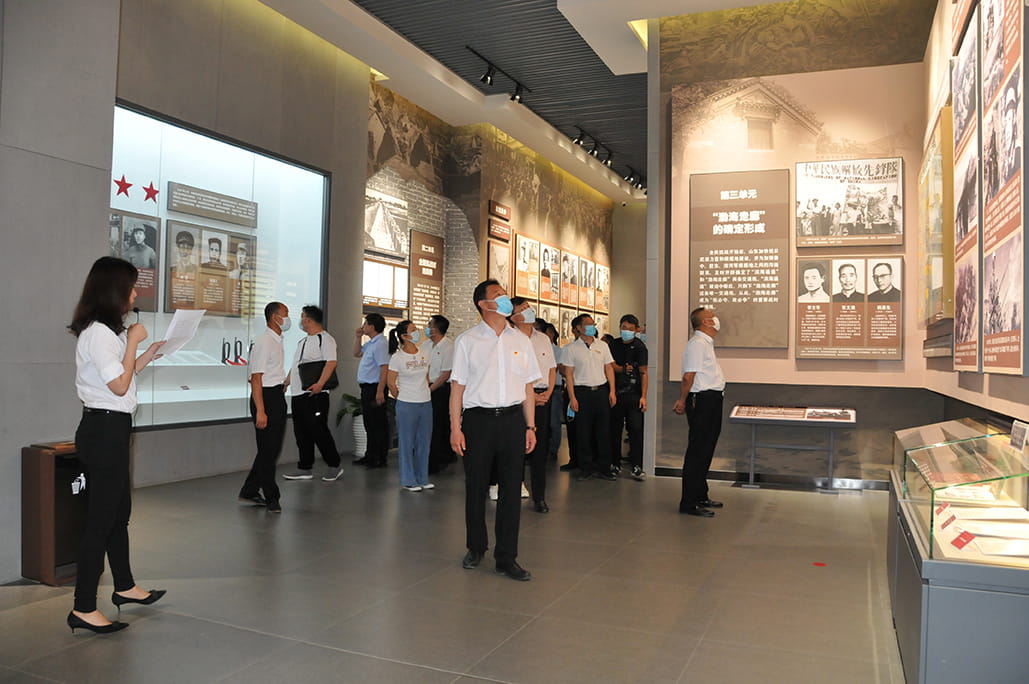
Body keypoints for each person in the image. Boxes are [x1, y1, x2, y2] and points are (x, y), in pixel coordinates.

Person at [67, 257, 166, 634]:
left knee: (118, 512)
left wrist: (146, 353)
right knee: (100, 520)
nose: (135, 294)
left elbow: (125, 372)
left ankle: (124, 585)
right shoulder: (97, 333)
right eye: (131, 287)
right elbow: (119, 387)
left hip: (114, 428)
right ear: (114, 290)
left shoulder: (109, 332)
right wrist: (134, 341)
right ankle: (83, 607)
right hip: (103, 430)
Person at [451, 279, 541, 581]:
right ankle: (476, 547)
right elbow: (457, 389)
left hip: (513, 420)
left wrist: (530, 425)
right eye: (498, 295)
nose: (505, 299)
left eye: (504, 294)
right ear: (483, 304)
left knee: (511, 489)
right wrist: (455, 428)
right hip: (478, 421)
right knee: (476, 486)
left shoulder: (521, 340)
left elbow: (528, 387)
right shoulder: (467, 341)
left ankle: (507, 557)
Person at [673, 307, 726, 517]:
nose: (716, 319)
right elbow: (689, 376)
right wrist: (682, 400)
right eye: (712, 316)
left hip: (711, 400)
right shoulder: (697, 344)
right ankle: (688, 502)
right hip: (702, 401)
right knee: (698, 451)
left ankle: (700, 494)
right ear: (705, 322)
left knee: (706, 449)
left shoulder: (705, 343)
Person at [239, 301, 290, 513]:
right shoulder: (264, 341)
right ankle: (272, 497)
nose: (288, 318)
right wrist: (261, 409)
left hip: (276, 395)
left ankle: (250, 489)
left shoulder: (277, 340)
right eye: (285, 314)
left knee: (271, 449)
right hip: (265, 398)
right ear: (275, 318)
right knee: (268, 450)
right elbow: (256, 378)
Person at [283, 305, 343, 482]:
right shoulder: (302, 342)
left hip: (316, 394)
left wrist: (320, 384)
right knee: (301, 432)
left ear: (308, 319)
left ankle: (334, 465)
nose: (301, 320)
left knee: (318, 430)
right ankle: (305, 468)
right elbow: (297, 366)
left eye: (302, 317)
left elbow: (331, 363)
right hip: (298, 393)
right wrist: (286, 382)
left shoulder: (325, 339)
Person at [511, 298, 556, 512]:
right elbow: (511, 374)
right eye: (523, 309)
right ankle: (514, 491)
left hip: (543, 397)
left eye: (529, 308)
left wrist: (548, 392)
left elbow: (552, 369)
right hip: (519, 399)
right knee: (516, 450)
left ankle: (540, 497)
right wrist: (529, 396)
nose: (529, 311)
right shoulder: (510, 339)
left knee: (540, 450)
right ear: (513, 317)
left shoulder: (543, 339)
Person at [563, 313, 617, 481]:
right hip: (582, 393)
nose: (592, 326)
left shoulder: (602, 345)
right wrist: (572, 397)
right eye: (588, 324)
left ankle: (604, 467)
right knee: (583, 432)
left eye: (593, 323)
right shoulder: (571, 348)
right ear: (578, 328)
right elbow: (569, 374)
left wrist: (612, 391)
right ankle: (585, 467)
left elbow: (609, 368)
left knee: (604, 431)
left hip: (601, 392)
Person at [387, 320, 434, 492]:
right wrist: (402, 398)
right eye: (413, 329)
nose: (417, 331)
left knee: (424, 442)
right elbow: (391, 383)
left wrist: (424, 392)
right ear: (404, 336)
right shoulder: (397, 358)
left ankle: (422, 478)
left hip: (425, 403)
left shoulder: (425, 353)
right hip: (407, 404)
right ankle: (408, 479)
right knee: (407, 443)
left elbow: (426, 377)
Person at [610, 314, 648, 481]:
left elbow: (644, 372)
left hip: (634, 395)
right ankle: (614, 463)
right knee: (614, 430)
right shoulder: (613, 344)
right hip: (616, 394)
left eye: (630, 329)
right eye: (624, 328)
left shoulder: (640, 347)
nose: (626, 331)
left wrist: (644, 396)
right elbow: (609, 366)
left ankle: (636, 466)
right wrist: (621, 370)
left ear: (636, 330)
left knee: (635, 430)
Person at [353, 313, 390, 467]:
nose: (363, 326)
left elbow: (384, 368)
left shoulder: (380, 343)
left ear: (372, 327)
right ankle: (370, 455)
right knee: (369, 422)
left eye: (365, 323)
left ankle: (379, 457)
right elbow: (356, 353)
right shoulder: (372, 343)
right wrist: (357, 337)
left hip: (375, 388)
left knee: (377, 423)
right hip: (367, 388)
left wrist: (380, 391)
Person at [425, 314, 455, 474]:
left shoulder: (448, 346)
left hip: (440, 389)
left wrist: (430, 389)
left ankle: (440, 459)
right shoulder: (426, 345)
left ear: (436, 328)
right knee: (430, 425)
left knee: (438, 424)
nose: (428, 327)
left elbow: (446, 373)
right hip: (426, 387)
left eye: (430, 325)